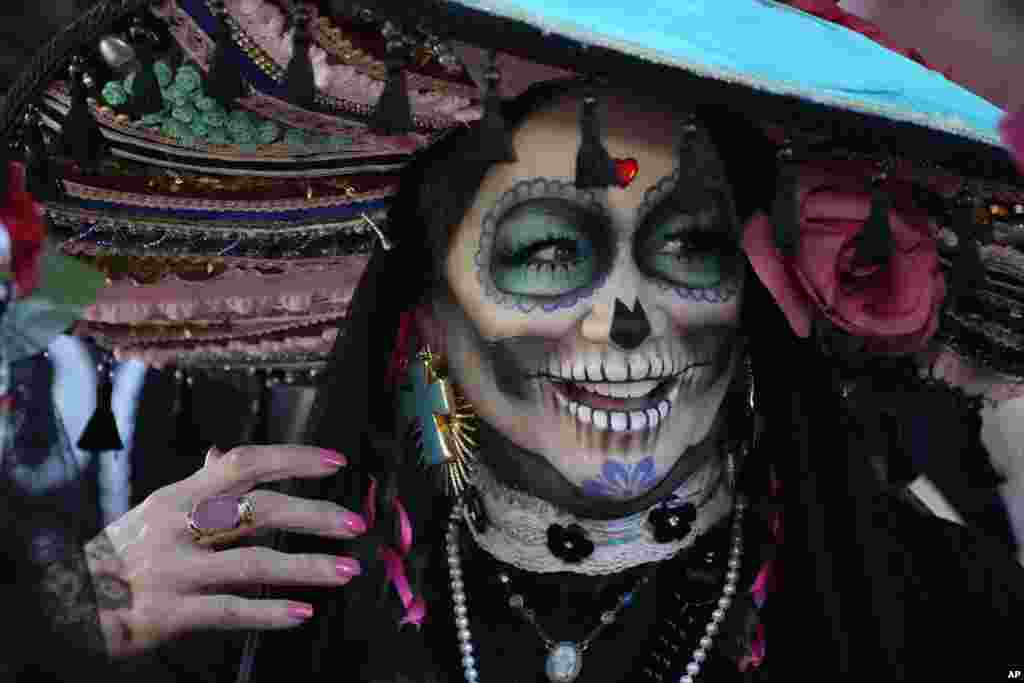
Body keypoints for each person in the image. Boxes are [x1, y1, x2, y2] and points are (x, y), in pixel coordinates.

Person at [3, 1, 1024, 681]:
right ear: (427, 301)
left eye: (690, 245)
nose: (625, 314)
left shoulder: (942, 603)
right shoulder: (251, 597)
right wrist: (59, 621)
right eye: (545, 249)